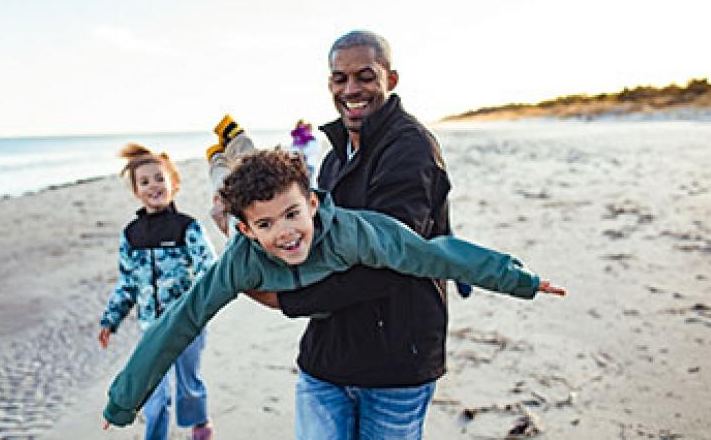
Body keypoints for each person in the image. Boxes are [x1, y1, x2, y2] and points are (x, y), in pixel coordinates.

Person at [101, 148, 565, 428]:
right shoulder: (240, 259)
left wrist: (516, 279)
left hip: (384, 349)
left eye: (293, 214)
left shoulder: (354, 233)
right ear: (248, 231)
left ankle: (235, 152)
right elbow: (180, 321)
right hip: (260, 256)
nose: (286, 232)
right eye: (265, 224)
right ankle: (224, 157)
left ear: (313, 204)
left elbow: (431, 255)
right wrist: (123, 401)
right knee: (225, 186)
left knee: (250, 174)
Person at [265, 29, 470, 439]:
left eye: (365, 76)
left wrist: (289, 300)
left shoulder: (410, 148)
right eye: (339, 79)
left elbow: (392, 258)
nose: (351, 90)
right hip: (326, 358)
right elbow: (316, 244)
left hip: (395, 365)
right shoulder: (334, 157)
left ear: (390, 79)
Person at [97, 143, 215, 440]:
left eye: (160, 179)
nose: (153, 186)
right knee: (154, 393)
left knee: (188, 384)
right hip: (151, 327)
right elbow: (127, 283)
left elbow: (208, 268)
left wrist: (201, 306)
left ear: (174, 183)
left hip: (187, 323)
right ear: (136, 191)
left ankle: (199, 425)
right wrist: (111, 319)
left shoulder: (187, 227)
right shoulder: (131, 234)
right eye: (145, 182)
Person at [289, 119, 320, 186]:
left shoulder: (310, 139)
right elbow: (294, 151)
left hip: (308, 164)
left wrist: (300, 154)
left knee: (308, 184)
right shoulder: (300, 139)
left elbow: (310, 151)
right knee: (305, 185)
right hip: (302, 165)